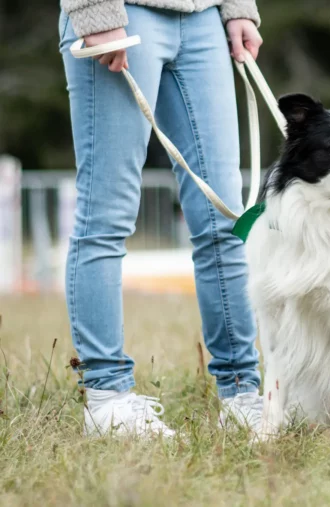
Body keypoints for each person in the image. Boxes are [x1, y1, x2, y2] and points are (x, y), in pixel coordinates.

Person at [58, 0, 264, 437]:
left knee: (224, 224)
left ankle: (242, 394)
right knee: (105, 218)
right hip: (124, 13)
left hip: (205, 18)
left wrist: (239, 8)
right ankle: (108, 400)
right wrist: (95, 11)